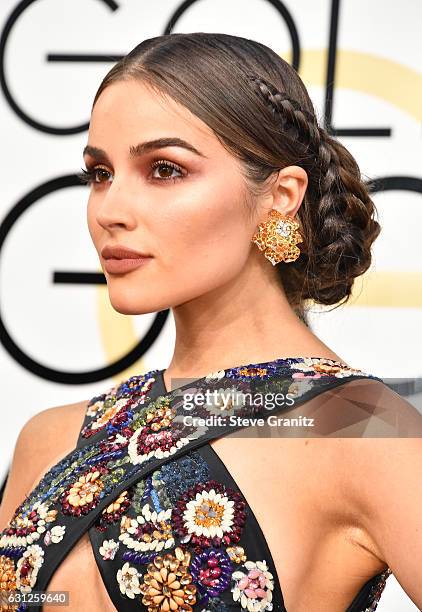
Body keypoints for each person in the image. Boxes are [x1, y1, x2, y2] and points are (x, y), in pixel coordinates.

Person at [0, 32, 421, 612]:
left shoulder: (365, 429)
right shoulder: (46, 440)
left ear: (281, 195)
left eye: (165, 169)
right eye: (100, 174)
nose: (110, 211)